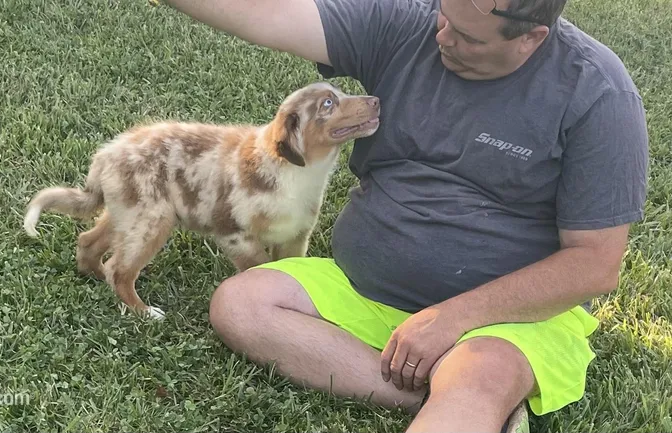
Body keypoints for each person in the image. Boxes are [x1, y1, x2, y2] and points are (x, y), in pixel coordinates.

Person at [159, 0, 650, 431]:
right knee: (240, 303)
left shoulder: (598, 94)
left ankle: (466, 388)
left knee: (481, 374)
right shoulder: (411, 25)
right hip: (365, 292)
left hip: (506, 321)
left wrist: (453, 318)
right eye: (444, 17)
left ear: (531, 39)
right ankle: (434, 389)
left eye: (466, 36)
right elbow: (273, 10)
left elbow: (594, 264)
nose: (443, 37)